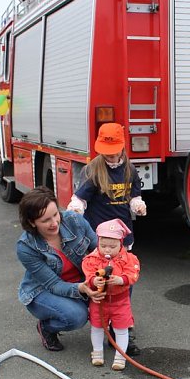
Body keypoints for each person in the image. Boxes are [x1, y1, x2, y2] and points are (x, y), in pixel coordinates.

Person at [67, 122, 147, 355]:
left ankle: (122, 328)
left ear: (123, 148)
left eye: (114, 152)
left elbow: (134, 195)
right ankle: (101, 324)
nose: (110, 156)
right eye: (106, 152)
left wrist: (138, 205)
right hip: (99, 238)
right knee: (99, 280)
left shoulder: (130, 169)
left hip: (123, 235)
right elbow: (80, 199)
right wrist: (75, 209)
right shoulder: (93, 170)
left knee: (123, 282)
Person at [17, 187, 105, 352]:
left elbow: (101, 251)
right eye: (45, 220)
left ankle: (118, 328)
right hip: (43, 290)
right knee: (76, 316)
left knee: (121, 278)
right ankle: (47, 327)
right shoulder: (26, 247)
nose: (54, 223)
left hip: (79, 281)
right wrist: (83, 289)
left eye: (55, 214)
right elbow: (54, 284)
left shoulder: (75, 221)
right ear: (31, 222)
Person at [81, 219, 141, 371]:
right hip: (99, 301)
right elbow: (88, 276)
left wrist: (121, 279)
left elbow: (133, 274)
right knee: (97, 327)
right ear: (98, 242)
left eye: (112, 246)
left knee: (121, 329)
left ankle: (120, 356)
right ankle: (97, 352)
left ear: (121, 243)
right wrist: (95, 281)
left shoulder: (129, 258)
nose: (107, 250)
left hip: (120, 302)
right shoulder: (91, 259)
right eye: (103, 245)